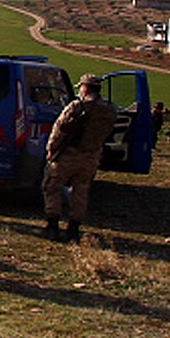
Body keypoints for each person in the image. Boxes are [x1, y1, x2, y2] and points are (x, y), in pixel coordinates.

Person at [40, 74, 118, 242]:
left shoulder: (77, 106)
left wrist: (51, 149)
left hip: (68, 154)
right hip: (91, 156)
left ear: (86, 88)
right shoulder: (109, 109)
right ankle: (73, 229)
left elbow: (59, 129)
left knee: (51, 186)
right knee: (80, 191)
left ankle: (52, 226)